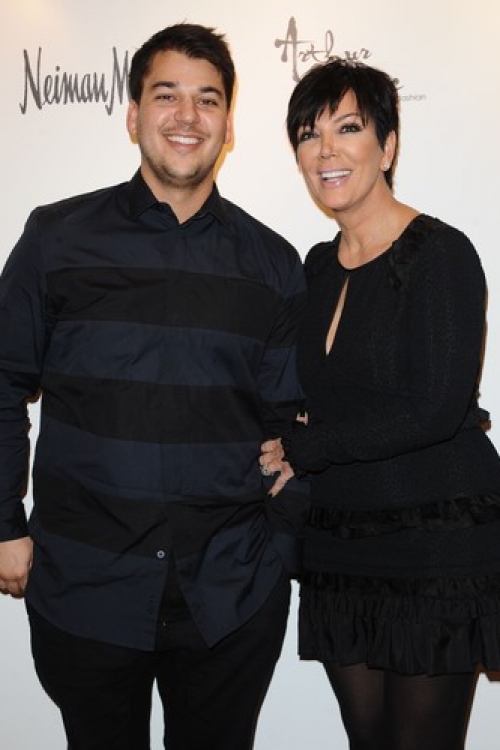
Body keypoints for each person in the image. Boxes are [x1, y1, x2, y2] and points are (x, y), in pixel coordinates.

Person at [0, 23, 309, 750]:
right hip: (86, 590)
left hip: (230, 596)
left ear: (228, 124)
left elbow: (293, 420)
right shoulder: (57, 238)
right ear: (134, 114)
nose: (187, 115)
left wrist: (282, 547)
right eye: (166, 95)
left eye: (208, 99)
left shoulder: (273, 263)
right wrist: (5, 522)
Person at [260, 58, 500, 750]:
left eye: (347, 128)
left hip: (435, 543)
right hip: (341, 544)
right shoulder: (315, 266)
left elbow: (436, 408)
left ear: (387, 146)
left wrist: (308, 446)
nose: (325, 150)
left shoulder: (440, 254)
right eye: (309, 135)